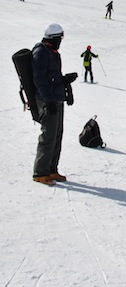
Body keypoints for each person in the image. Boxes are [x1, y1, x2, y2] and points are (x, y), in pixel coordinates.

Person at [31, 23, 77, 185]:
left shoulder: (53, 53)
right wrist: (48, 99)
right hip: (46, 100)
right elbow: (39, 78)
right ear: (53, 37)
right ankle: (40, 172)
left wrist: (65, 81)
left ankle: (51, 169)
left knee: (57, 134)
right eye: (60, 37)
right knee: (48, 135)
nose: (61, 40)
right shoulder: (41, 52)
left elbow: (52, 77)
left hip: (56, 98)